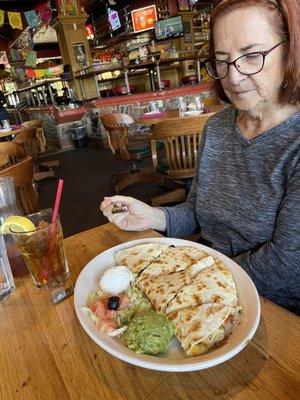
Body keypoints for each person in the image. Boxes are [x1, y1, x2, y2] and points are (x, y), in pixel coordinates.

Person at [100, 0, 300, 314]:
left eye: (251, 56)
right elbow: (199, 210)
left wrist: (189, 281)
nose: (233, 77)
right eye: (222, 61)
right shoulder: (218, 127)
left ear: (290, 52)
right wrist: (155, 217)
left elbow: (285, 266)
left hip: (273, 311)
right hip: (201, 286)